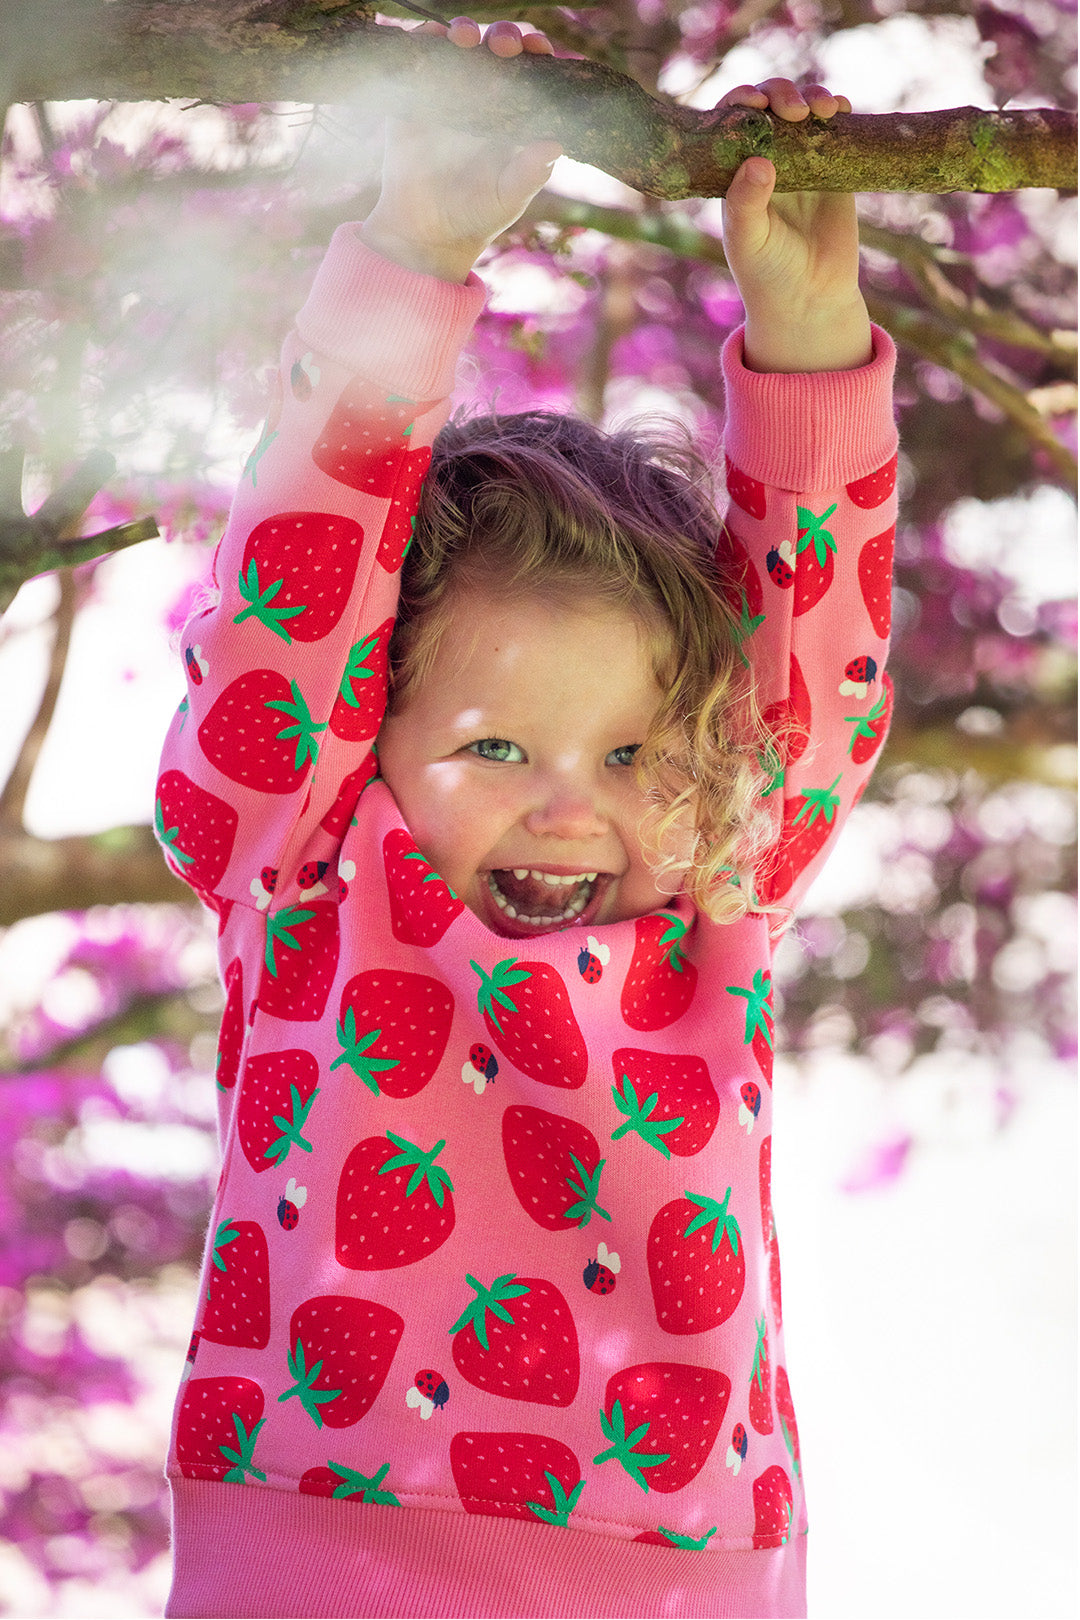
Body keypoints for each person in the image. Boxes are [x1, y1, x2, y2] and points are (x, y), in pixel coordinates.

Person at [155, 16, 897, 1619]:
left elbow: (804, 683)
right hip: (320, 1555)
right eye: (499, 745)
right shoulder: (311, 875)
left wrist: (810, 332)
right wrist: (418, 251)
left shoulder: (721, 881)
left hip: (686, 1576)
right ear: (365, 733)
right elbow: (292, 612)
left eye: (634, 756)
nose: (575, 806)